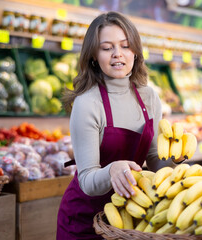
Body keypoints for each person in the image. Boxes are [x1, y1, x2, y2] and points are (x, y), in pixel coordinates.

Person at [57, 11, 174, 239]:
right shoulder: (87, 103)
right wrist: (112, 170)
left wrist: (175, 161)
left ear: (135, 52)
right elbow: (87, 180)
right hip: (84, 220)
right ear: (93, 55)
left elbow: (153, 158)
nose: (117, 54)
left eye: (125, 46)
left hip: (130, 216)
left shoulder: (149, 97)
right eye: (107, 47)